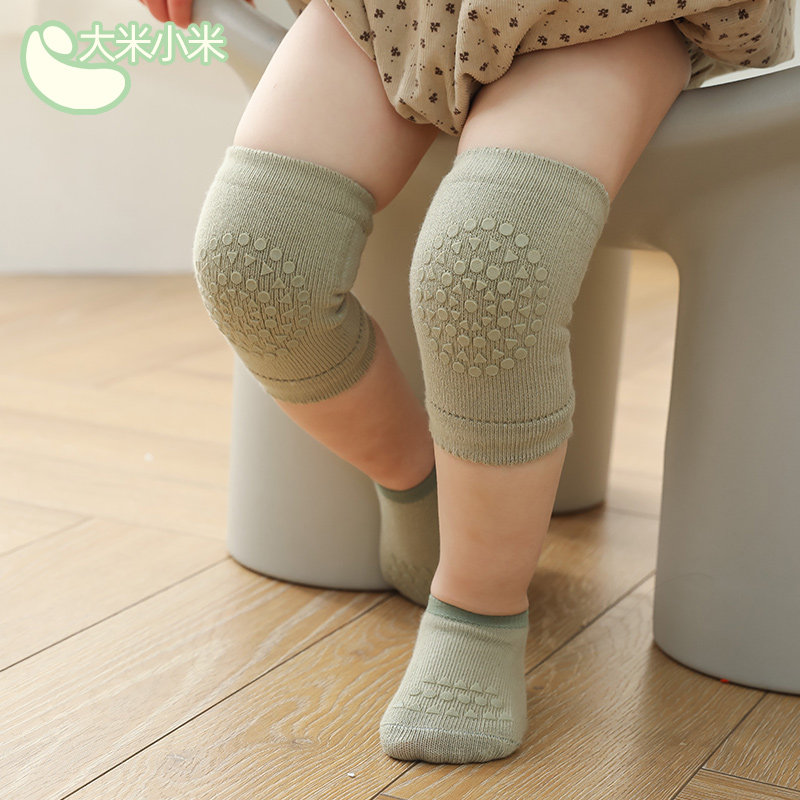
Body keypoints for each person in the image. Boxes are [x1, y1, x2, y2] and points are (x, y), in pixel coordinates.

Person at [143, 0, 793, 765]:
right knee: (256, 262)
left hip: (605, 17)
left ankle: (478, 613)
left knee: (488, 273)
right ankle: (417, 484)